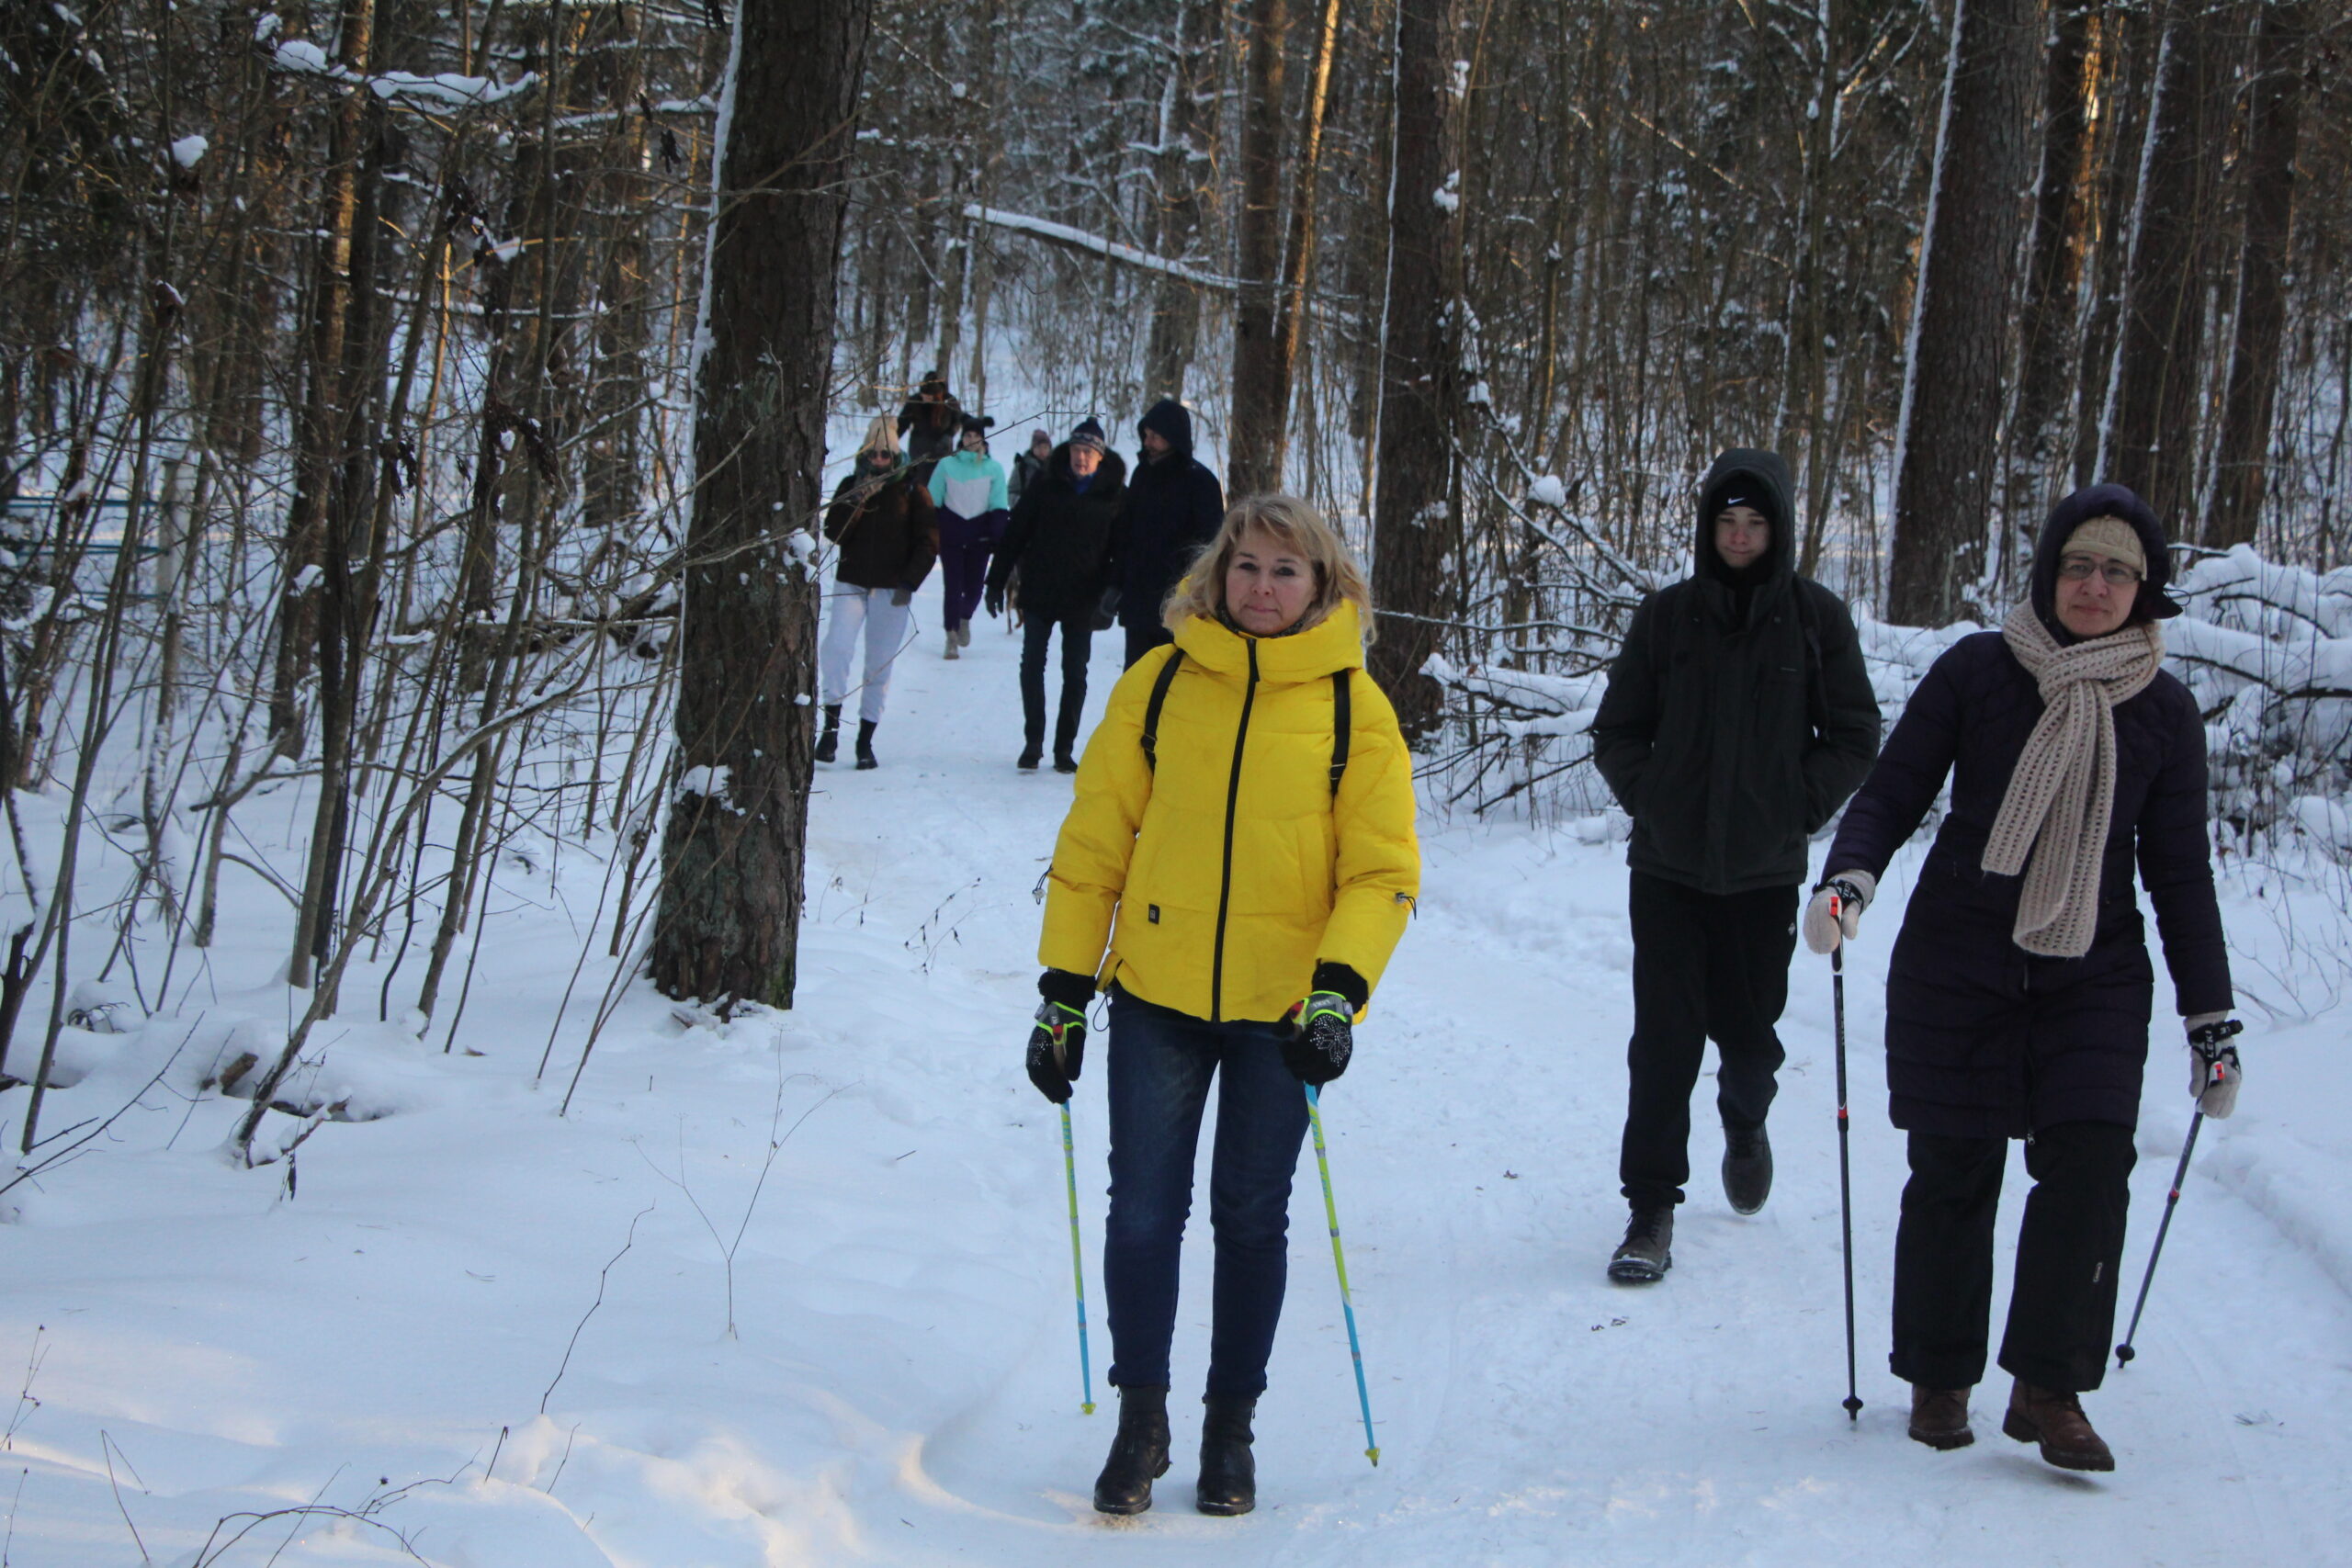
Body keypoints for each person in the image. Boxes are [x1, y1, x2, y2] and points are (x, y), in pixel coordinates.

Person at [1810, 483, 2240, 1472]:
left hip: (2094, 966)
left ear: (2144, 590)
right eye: (2078, 565)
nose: (2095, 586)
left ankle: (2049, 1389)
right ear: (2048, 574)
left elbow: (2181, 875)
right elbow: (1893, 791)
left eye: (2117, 571)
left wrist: (2209, 1018)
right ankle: (1939, 1376)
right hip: (1960, 952)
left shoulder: (2164, 711)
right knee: (1954, 1168)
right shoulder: (1979, 670)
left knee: (2090, 1167)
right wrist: (1849, 878)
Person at [1022, 494, 1419, 1518]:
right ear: (1216, 574)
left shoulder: (1354, 708)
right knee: (1143, 1212)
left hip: (1280, 1011)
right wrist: (1064, 992)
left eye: (1286, 571)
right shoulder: (1158, 684)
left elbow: (1380, 873)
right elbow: (1093, 843)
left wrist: (1336, 995)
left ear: (1322, 585)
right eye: (1246, 566)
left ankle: (1229, 1429)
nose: (1262, 587)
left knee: (1249, 1217)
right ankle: (1140, 1422)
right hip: (1156, 994)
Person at [1588, 447, 1881, 1282]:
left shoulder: (1816, 619)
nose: (1741, 536)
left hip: (1763, 875)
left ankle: (1745, 1120)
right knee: (1664, 1043)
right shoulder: (1667, 617)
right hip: (1668, 870)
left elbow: (1855, 733)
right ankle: (1650, 1209)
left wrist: (1794, 806)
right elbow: (1618, 729)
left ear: (1778, 529)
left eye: (1755, 523)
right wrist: (1654, 797)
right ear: (1708, 527)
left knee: (1751, 1040)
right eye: (1728, 521)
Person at [985, 418, 1125, 772]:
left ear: (1100, 457)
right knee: (1032, 663)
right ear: (1069, 451)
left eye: (1089, 452)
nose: (1082, 458)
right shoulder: (1046, 484)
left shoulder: (1114, 494)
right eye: (1077, 450)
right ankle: (1033, 742)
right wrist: (995, 581)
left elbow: (1123, 550)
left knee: (1075, 672)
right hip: (1040, 589)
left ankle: (1064, 748)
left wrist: (1113, 591)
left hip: (1084, 595)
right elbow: (1016, 533)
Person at [816, 416, 938, 769]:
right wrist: (857, 500)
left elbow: (929, 542)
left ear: (896, 455)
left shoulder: (913, 490)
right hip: (851, 581)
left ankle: (865, 741)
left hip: (892, 589)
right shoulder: (850, 484)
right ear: (865, 454)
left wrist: (909, 583)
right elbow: (834, 532)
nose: (880, 460)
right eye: (874, 454)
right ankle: (830, 730)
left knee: (879, 664)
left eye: (886, 454)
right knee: (837, 649)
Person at [1111, 399, 1225, 668]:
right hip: (1139, 601)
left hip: (1180, 603)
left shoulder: (1200, 482)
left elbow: (1211, 545)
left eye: (1155, 436)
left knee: (1175, 679)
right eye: (1146, 435)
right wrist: (1115, 583)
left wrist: (1199, 594)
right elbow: (1125, 532)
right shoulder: (1142, 474)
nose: (1147, 442)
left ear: (1174, 437)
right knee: (1136, 679)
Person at [926, 415, 1008, 658]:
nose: (971, 440)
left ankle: (965, 617)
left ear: (983, 440)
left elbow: (999, 505)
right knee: (952, 587)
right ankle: (951, 636)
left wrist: (996, 536)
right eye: (967, 435)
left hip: (979, 539)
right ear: (962, 438)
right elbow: (932, 501)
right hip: (951, 536)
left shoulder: (994, 469)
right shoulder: (947, 465)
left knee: (974, 589)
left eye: (976, 436)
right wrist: (932, 530)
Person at [896, 370, 961, 481]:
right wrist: (892, 439)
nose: (925, 398)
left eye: (928, 396)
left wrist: (949, 435)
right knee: (918, 482)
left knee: (939, 480)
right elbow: (902, 424)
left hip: (942, 448)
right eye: (923, 395)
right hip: (918, 449)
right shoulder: (915, 401)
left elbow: (957, 421)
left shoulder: (949, 401)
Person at [1010, 428, 1052, 510]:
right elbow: (1011, 493)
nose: (1042, 451)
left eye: (1045, 447)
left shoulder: (1055, 467)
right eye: (1039, 447)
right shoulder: (1022, 466)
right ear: (1033, 448)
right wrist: (1021, 502)